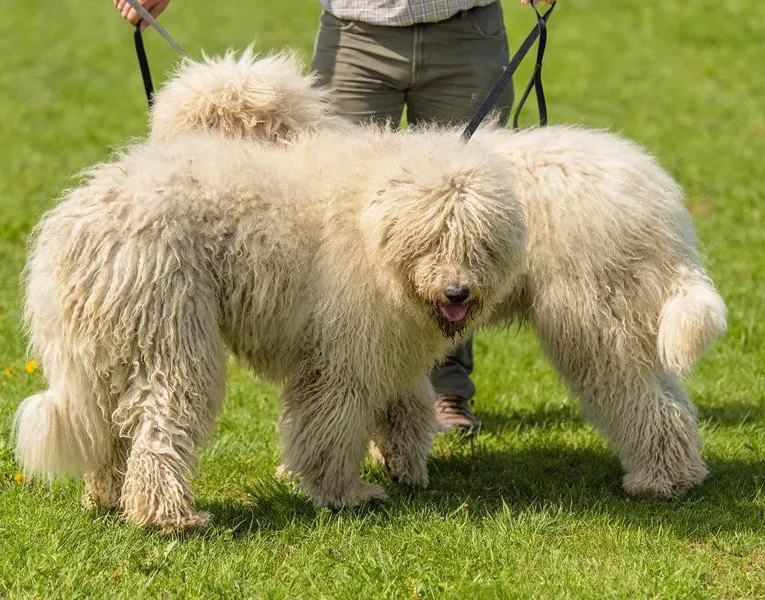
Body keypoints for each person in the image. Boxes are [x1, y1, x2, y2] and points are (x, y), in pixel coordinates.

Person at [113, 0, 553, 435]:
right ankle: (322, 409)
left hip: (468, 32)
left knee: (459, 229)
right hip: (355, 36)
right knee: (331, 234)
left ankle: (442, 392)